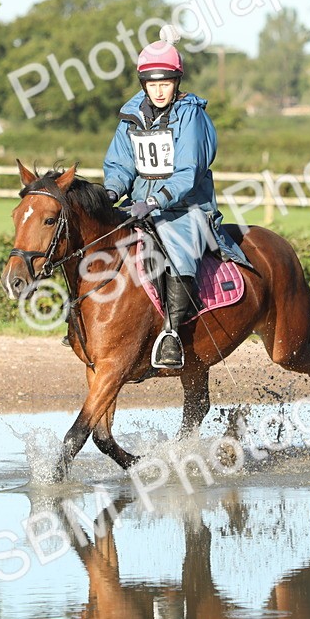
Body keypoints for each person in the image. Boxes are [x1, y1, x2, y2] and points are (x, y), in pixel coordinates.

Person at [103, 26, 247, 369]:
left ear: (176, 81)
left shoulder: (191, 115)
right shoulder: (131, 115)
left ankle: (169, 335)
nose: (159, 91)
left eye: (164, 83)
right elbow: (121, 162)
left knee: (178, 250)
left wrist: (156, 202)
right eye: (152, 84)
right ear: (143, 84)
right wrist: (111, 190)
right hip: (139, 205)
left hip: (187, 208)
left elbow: (189, 169)